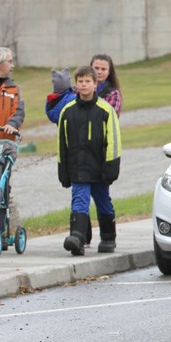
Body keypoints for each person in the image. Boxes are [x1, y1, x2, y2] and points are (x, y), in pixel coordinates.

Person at [57, 66, 122, 255]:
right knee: (79, 200)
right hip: (78, 168)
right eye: (80, 81)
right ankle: (77, 238)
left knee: (103, 202)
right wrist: (64, 171)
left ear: (95, 84)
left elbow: (114, 141)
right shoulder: (67, 112)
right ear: (75, 85)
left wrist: (111, 167)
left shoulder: (105, 110)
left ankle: (108, 237)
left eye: (87, 81)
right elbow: (62, 144)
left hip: (100, 168)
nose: (83, 85)